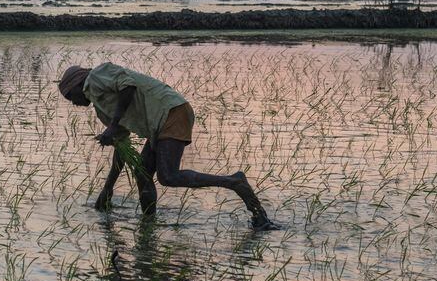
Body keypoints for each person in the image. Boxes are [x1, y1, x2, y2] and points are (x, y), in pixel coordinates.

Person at [58, 63, 279, 230]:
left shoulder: (96, 76)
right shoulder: (101, 108)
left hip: (170, 111)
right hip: (160, 123)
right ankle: (148, 224)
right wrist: (108, 189)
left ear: (77, 84)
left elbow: (127, 86)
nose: (74, 103)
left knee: (169, 176)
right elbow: (122, 146)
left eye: (70, 97)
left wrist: (114, 125)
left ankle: (234, 182)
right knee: (142, 172)